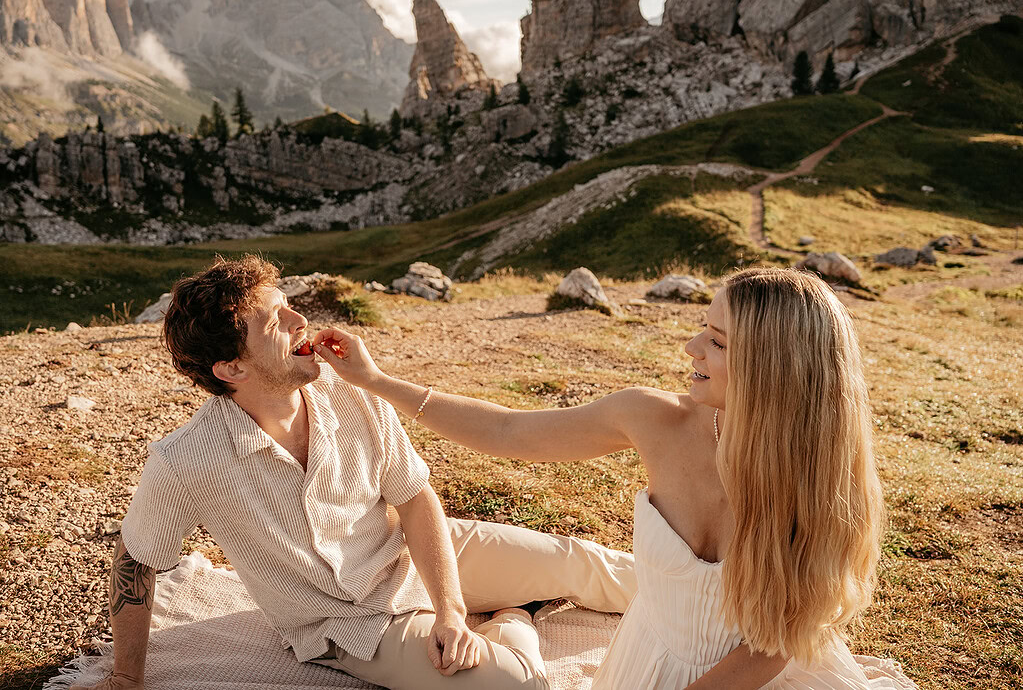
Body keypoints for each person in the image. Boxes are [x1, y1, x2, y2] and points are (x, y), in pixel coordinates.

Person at [312, 267, 917, 689]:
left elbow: (773, 645)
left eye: (716, 341)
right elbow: (510, 434)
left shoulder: (819, 487)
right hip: (648, 662)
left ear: (773, 369)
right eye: (701, 329)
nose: (690, 348)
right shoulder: (653, 418)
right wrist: (378, 381)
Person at [73, 255, 637, 690]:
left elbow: (415, 499)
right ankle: (516, 615)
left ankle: (724, 599)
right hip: (353, 620)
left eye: (290, 304)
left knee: (583, 562)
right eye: (275, 321)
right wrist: (128, 677)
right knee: (510, 684)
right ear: (232, 367)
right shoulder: (185, 461)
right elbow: (136, 558)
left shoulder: (349, 394)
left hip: (410, 552)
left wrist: (451, 608)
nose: (301, 320)